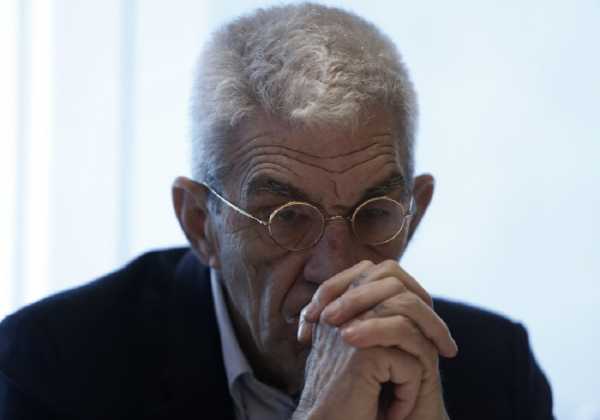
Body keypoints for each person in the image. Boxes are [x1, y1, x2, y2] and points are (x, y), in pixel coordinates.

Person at [0, 3, 553, 419]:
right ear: (200, 224)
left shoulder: (493, 370)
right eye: (286, 216)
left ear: (416, 211)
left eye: (374, 212)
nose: (334, 267)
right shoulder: (52, 365)